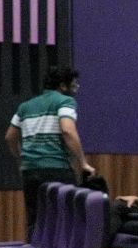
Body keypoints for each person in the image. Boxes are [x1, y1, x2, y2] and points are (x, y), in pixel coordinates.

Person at [8, 63, 95, 227]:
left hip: (30, 172)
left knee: (35, 222)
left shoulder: (25, 106)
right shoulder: (65, 101)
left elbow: (10, 137)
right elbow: (68, 131)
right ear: (63, 86)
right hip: (57, 169)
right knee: (65, 222)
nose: (76, 89)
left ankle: (35, 244)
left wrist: (22, 160)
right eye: (74, 85)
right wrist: (83, 163)